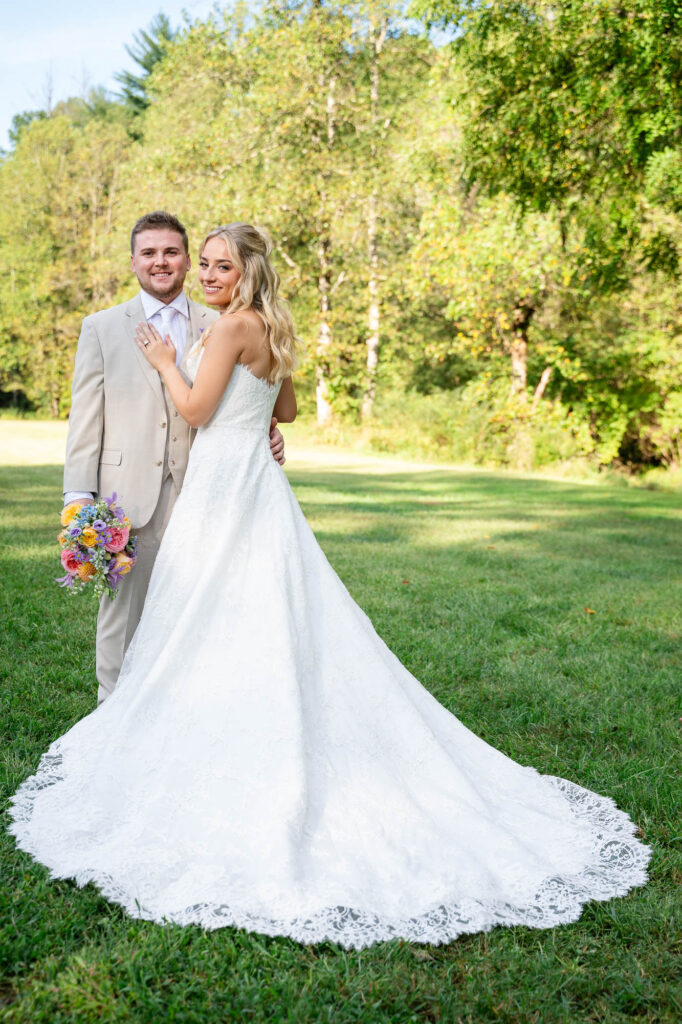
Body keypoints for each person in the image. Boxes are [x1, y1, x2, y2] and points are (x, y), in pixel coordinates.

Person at [10, 223, 650, 950]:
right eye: (207, 264)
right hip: (253, 486)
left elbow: (194, 410)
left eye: (220, 264)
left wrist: (164, 362)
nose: (208, 274)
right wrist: (259, 427)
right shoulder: (273, 327)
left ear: (245, 270)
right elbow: (280, 412)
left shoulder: (224, 328)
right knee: (260, 614)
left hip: (221, 491)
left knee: (207, 616)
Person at [62, 211, 286, 704]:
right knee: (122, 615)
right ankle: (111, 713)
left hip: (207, 493)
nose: (160, 262)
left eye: (171, 252)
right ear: (134, 261)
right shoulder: (100, 327)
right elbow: (84, 419)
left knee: (201, 612)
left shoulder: (222, 318)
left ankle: (181, 710)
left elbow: (244, 399)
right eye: (148, 253)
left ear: (186, 260)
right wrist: (78, 498)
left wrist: (266, 432)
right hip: (127, 497)